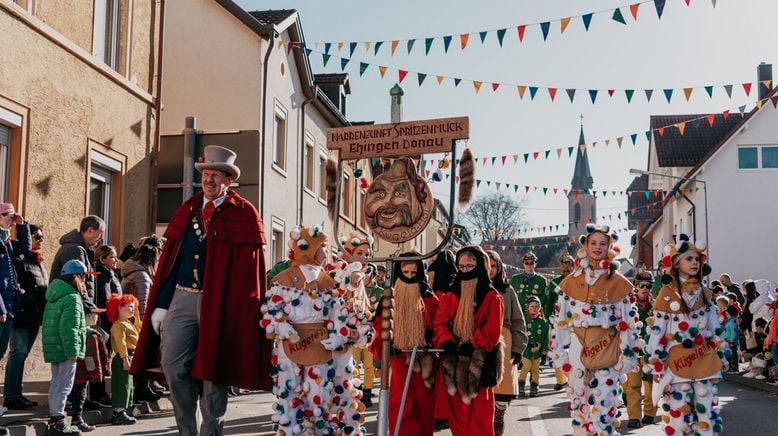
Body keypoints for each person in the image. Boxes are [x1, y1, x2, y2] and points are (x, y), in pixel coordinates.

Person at [131, 145, 269, 435]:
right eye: (206, 174)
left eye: (216, 175)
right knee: (172, 363)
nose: (209, 180)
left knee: (213, 370)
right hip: (182, 298)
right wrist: (162, 304)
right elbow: (173, 261)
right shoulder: (189, 209)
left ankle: (211, 429)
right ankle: (185, 429)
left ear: (228, 180)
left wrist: (239, 312)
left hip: (220, 303)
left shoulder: (244, 214)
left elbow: (248, 275)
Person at [260, 224, 353, 434]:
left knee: (319, 398)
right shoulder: (283, 279)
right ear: (309, 248)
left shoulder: (327, 281)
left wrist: (338, 335)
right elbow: (272, 310)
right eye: (323, 247)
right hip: (290, 348)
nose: (326, 252)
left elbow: (337, 312)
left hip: (319, 345)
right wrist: (284, 328)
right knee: (289, 397)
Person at [550, 223, 640, 435]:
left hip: (607, 349)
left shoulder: (620, 283)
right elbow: (561, 321)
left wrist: (628, 354)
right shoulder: (570, 282)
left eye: (603, 243)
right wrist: (559, 354)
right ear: (586, 246)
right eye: (594, 243)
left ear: (610, 246)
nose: (598, 247)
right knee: (580, 406)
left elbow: (629, 323)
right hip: (577, 350)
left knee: (604, 407)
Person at [644, 234, 728, 435]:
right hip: (676, 362)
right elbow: (657, 334)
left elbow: (716, 328)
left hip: (704, 359)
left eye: (697, 259)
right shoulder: (665, 294)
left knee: (706, 413)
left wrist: (722, 355)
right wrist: (656, 365)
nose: (694, 263)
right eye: (689, 259)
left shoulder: (706, 294)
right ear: (676, 263)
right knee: (678, 417)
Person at [434, 245, 504, 436]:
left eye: (470, 266)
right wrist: (447, 341)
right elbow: (439, 322)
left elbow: (492, 331)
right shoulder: (450, 294)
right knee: (458, 420)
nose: (464, 271)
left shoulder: (492, 297)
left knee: (480, 418)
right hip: (453, 363)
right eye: (461, 267)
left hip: (479, 364)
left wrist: (472, 343)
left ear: (480, 266)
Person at [371, 252, 439, 436]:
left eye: (413, 273)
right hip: (399, 361)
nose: (409, 277)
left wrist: (431, 340)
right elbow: (379, 330)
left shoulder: (430, 299)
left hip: (424, 362)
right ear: (398, 273)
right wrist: (386, 347)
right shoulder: (388, 299)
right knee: (401, 406)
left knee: (424, 409)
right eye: (405, 272)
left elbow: (440, 326)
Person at [41, 259, 89, 436]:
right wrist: (73, 351)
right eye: (84, 277)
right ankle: (57, 422)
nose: (85, 281)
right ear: (78, 277)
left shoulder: (55, 295)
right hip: (65, 348)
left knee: (56, 383)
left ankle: (56, 419)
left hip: (54, 346)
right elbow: (69, 328)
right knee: (64, 385)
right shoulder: (73, 298)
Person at [3, 224, 44, 411]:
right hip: (20, 312)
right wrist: (27, 297)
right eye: (38, 237)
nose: (41, 240)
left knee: (23, 354)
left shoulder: (36, 260)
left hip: (33, 313)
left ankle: (17, 394)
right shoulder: (18, 256)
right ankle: (11, 396)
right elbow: (15, 283)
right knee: (17, 353)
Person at [486, 250, 527, 436]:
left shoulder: (508, 291)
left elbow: (518, 320)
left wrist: (518, 348)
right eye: (487, 265)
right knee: (485, 386)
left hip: (505, 339)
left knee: (503, 386)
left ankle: (499, 415)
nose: (490, 269)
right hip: (483, 338)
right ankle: (487, 418)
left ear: (499, 267)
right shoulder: (475, 287)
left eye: (494, 266)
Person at [337, 232, 377, 408]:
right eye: (359, 253)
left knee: (356, 370)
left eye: (366, 254)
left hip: (357, 331)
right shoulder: (344, 270)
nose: (363, 258)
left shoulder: (360, 273)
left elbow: (361, 304)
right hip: (340, 333)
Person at [624, 272, 657, 428]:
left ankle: (650, 412)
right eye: (642, 285)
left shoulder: (656, 308)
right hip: (632, 353)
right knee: (633, 386)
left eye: (648, 286)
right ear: (635, 287)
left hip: (651, 354)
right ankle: (634, 417)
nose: (645, 289)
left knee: (650, 386)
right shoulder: (628, 306)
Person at [70, 312, 111, 432]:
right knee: (80, 393)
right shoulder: (90, 334)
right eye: (95, 314)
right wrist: (96, 375)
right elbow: (93, 359)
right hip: (82, 370)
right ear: (87, 316)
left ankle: (76, 419)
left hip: (76, 368)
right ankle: (77, 420)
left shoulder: (80, 331)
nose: (97, 317)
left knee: (77, 393)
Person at [107, 294, 141, 426]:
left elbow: (139, 330)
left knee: (128, 385)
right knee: (122, 385)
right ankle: (119, 412)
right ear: (120, 308)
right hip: (123, 357)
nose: (133, 309)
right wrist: (125, 359)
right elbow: (121, 344)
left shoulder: (127, 323)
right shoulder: (119, 325)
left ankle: (122, 411)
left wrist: (137, 316)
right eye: (130, 307)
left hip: (128, 356)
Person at [547, 253, 574, 390]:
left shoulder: (577, 281)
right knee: (557, 348)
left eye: (569, 264)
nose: (566, 267)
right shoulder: (554, 282)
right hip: (558, 320)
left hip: (574, 320)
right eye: (564, 264)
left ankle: (573, 378)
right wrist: (548, 318)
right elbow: (550, 302)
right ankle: (561, 379)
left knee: (572, 349)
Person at [518, 296, 547, 398]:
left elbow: (545, 338)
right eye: (532, 306)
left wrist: (544, 350)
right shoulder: (524, 320)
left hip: (537, 352)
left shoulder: (543, 322)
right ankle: (520, 383)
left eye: (536, 307)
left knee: (535, 369)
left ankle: (534, 385)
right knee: (526, 366)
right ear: (528, 307)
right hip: (526, 350)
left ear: (539, 308)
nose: (534, 308)